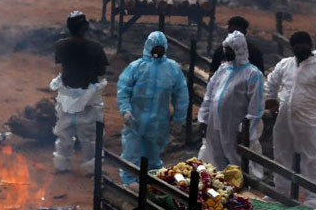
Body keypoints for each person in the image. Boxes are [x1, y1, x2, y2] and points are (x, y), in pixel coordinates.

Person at [264, 31, 316, 210]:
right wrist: (272, 102)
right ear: (292, 47)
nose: (300, 48)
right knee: (282, 154)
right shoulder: (285, 65)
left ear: (310, 45)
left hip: (309, 119)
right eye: (296, 45)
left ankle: (313, 198)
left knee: (311, 157)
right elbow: (271, 83)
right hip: (283, 118)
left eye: (303, 44)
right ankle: (280, 192)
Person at [117, 31, 189, 185]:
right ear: (148, 47)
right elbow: (123, 89)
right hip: (134, 121)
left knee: (153, 157)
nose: (157, 51)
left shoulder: (172, 69)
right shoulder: (136, 67)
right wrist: (126, 110)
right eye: (155, 48)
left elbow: (181, 95)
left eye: (160, 48)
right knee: (131, 155)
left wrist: (179, 119)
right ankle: (130, 186)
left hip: (158, 123)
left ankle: (152, 187)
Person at [198, 31, 264, 174]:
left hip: (234, 126)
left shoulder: (252, 74)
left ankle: (241, 189)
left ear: (238, 50)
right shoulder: (223, 69)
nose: (226, 53)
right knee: (215, 156)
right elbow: (209, 96)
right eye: (225, 49)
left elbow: (256, 108)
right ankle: (220, 190)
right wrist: (203, 119)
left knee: (236, 160)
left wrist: (245, 130)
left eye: (230, 50)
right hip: (214, 124)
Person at [51, 11, 109, 174]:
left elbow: (60, 64)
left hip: (67, 95)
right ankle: (91, 168)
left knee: (64, 131)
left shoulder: (61, 45)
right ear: (85, 28)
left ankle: (62, 164)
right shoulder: (95, 48)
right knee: (90, 135)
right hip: (89, 96)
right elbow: (101, 70)